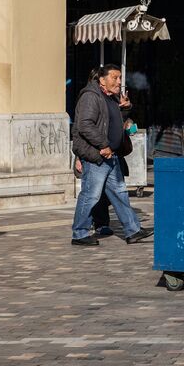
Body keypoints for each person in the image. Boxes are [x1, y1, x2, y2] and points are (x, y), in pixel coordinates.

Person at [71, 63, 151, 246]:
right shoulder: (90, 96)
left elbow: (113, 122)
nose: (119, 81)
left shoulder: (111, 97)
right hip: (97, 156)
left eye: (120, 77)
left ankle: (133, 230)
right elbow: (85, 125)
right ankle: (79, 233)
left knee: (120, 193)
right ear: (102, 80)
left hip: (111, 156)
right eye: (115, 77)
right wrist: (104, 145)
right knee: (90, 195)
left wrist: (126, 107)